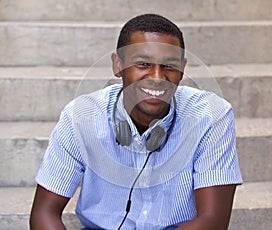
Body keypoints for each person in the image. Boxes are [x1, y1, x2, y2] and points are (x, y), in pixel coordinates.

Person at [30, 14, 243, 230]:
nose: (157, 77)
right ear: (118, 64)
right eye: (143, 64)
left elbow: (212, 221)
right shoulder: (80, 116)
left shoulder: (211, 115)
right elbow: (44, 212)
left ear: (182, 68)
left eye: (169, 66)